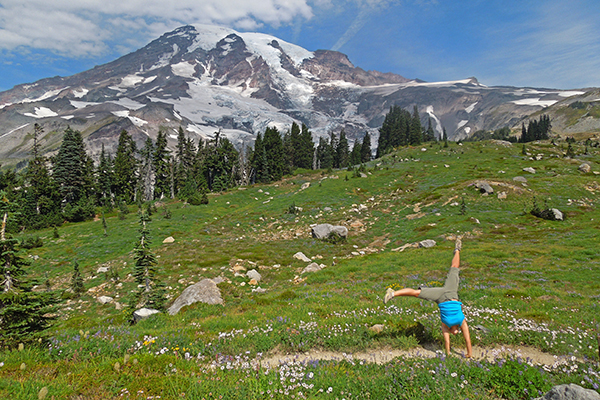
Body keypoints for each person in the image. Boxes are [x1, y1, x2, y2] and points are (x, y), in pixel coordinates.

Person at [384, 238, 472, 358]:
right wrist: (470, 353)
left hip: (440, 297)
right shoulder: (462, 322)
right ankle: (457, 249)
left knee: (417, 293)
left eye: (454, 333)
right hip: (451, 292)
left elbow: (447, 342)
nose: (455, 333)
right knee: (455, 267)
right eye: (457, 332)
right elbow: (468, 339)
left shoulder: (445, 324)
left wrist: (448, 354)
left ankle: (393, 294)